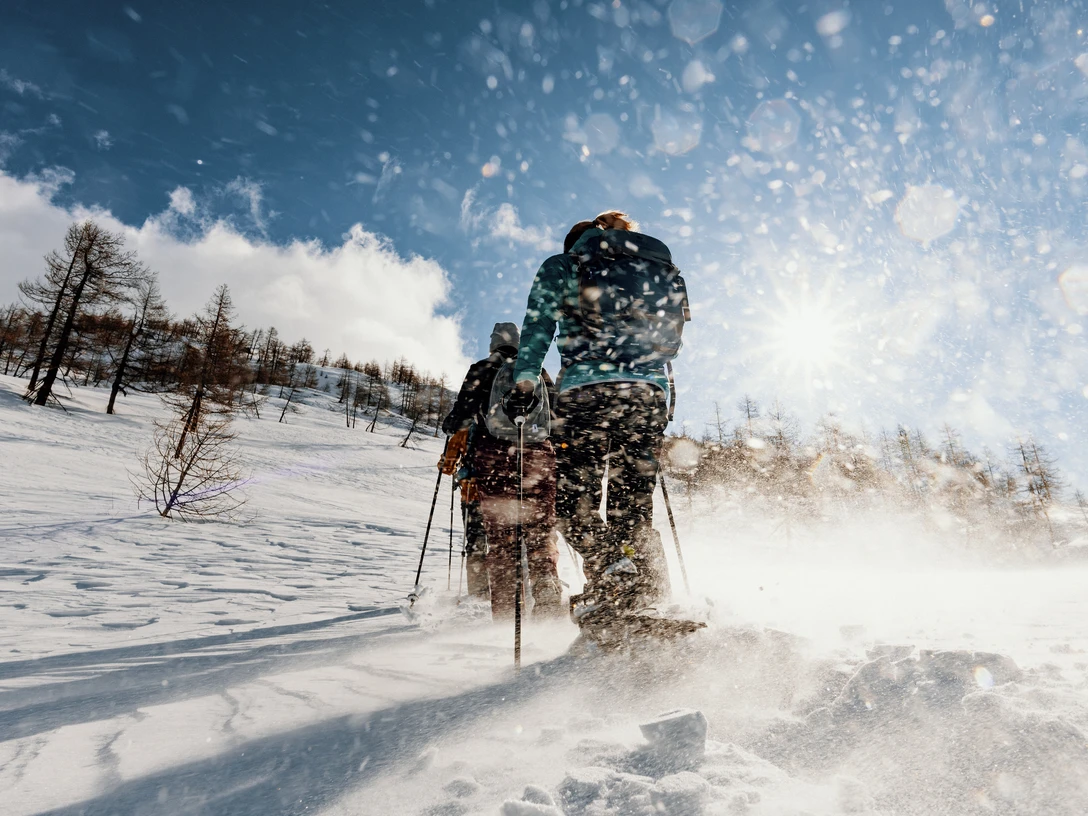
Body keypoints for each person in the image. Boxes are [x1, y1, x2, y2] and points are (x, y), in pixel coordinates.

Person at [505, 211, 690, 628]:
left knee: (573, 505)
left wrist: (524, 383)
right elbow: (671, 342)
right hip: (646, 395)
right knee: (632, 510)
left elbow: (538, 326)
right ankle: (650, 595)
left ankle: (613, 577)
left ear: (578, 240)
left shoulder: (565, 264)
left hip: (587, 394)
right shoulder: (654, 265)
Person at [441, 322, 564, 620]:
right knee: (541, 530)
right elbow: (557, 418)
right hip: (537, 459)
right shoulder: (537, 371)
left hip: (494, 459)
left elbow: (459, 417)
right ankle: (547, 595)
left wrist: (452, 426)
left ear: (493, 344)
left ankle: (508, 614)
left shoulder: (482, 368)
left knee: (501, 538)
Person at [437, 432, 489, 600]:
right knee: (505, 543)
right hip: (502, 498)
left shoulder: (463, 433)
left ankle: (479, 592)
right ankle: (506, 588)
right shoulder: (503, 428)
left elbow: (447, 467)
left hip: (472, 496)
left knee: (476, 543)